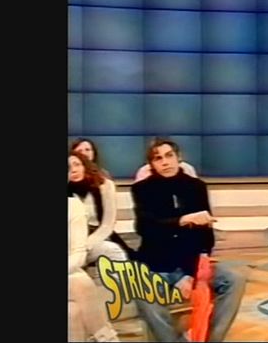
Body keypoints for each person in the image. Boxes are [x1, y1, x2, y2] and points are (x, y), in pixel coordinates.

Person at [131, 138, 246, 342]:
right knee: (140, 291)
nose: (165, 162)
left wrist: (189, 274)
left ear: (179, 158)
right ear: (151, 164)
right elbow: (146, 228)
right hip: (157, 265)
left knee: (235, 280)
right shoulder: (142, 189)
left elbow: (205, 237)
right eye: (158, 158)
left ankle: (212, 339)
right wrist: (183, 220)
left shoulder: (196, 187)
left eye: (169, 156)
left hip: (192, 264)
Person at [69, 196, 121, 342]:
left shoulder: (72, 206)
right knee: (80, 283)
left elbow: (78, 254)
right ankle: (109, 339)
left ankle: (106, 338)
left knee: (73, 312)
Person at [67, 152, 128, 262]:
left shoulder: (105, 185)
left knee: (113, 250)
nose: (73, 170)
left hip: (95, 237)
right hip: (72, 241)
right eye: (68, 168)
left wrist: (85, 246)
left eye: (77, 164)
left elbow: (107, 225)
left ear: (85, 165)